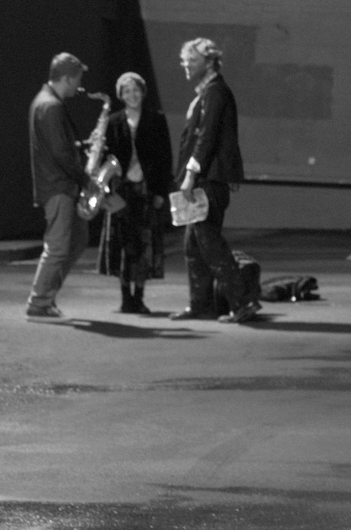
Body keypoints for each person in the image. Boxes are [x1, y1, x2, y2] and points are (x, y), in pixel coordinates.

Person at [171, 37, 261, 324]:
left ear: (209, 62)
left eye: (192, 60)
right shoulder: (207, 93)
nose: (186, 65)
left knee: (209, 242)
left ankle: (242, 302)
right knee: (193, 246)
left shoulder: (215, 92)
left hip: (208, 181)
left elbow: (206, 138)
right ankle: (201, 305)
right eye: (184, 60)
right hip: (204, 181)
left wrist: (189, 175)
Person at [97, 72, 173, 314]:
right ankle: (124, 297)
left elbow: (165, 159)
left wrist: (161, 191)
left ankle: (138, 296)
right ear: (121, 95)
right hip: (121, 188)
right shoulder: (112, 121)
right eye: (127, 91)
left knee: (144, 243)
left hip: (146, 188)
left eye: (136, 90)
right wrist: (106, 189)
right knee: (122, 242)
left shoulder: (156, 120)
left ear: (143, 92)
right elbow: (103, 158)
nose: (132, 95)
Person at [27, 52, 94, 320]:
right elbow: (60, 154)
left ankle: (46, 298)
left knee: (77, 240)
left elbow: (59, 147)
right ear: (66, 77)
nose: (79, 85)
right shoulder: (51, 106)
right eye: (77, 79)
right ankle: (39, 301)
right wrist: (86, 180)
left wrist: (80, 146)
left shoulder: (46, 102)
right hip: (59, 187)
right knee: (57, 247)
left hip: (59, 185)